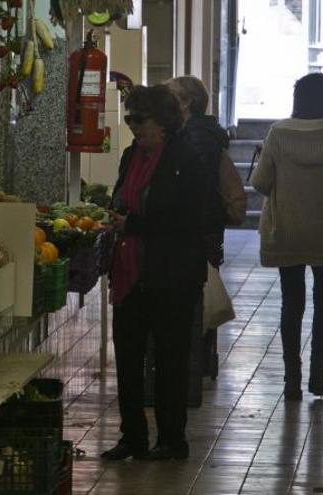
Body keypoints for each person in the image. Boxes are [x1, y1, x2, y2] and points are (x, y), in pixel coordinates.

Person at [102, 84, 207, 462]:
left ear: (162, 120)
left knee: (169, 361)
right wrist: (114, 215)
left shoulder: (185, 158)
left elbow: (187, 219)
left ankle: (171, 439)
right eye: (128, 118)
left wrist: (133, 224)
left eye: (139, 119)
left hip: (172, 277)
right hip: (131, 274)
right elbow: (121, 197)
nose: (133, 126)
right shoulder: (131, 155)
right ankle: (132, 436)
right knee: (128, 360)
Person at [250, 72, 323, 401]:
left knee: (292, 303)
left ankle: (291, 378)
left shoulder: (278, 134)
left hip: (286, 229)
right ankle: (318, 375)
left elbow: (261, 183)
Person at [166, 76, 230, 377]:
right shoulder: (204, 132)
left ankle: (196, 361)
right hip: (207, 225)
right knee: (203, 289)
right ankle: (202, 360)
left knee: (198, 291)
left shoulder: (196, 137)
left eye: (170, 98)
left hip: (200, 226)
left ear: (186, 103)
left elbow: (195, 185)